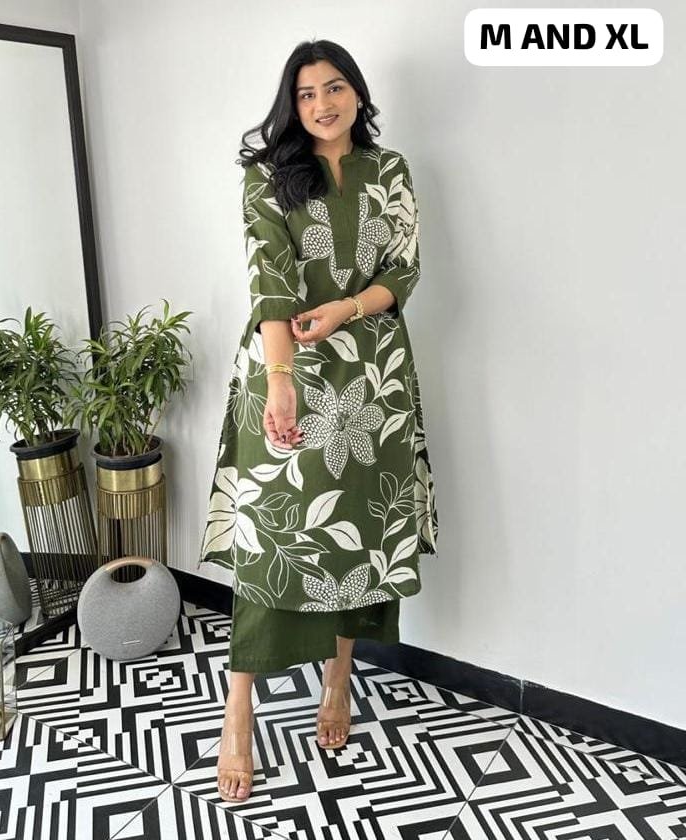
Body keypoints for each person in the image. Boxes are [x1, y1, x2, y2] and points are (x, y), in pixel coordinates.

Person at [198, 38, 438, 802]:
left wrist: (348, 308)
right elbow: (269, 282)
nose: (322, 104)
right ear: (291, 105)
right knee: (268, 540)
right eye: (305, 94)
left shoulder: (390, 170)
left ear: (357, 93)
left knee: (358, 532)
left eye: (334, 88)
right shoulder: (267, 175)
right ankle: (239, 713)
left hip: (374, 378)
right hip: (287, 370)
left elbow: (403, 270)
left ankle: (339, 681)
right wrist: (279, 385)